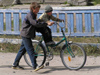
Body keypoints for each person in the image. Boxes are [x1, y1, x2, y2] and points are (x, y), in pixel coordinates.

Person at [12, 2, 50, 71]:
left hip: (27, 35)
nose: (38, 11)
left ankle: (15, 64)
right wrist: (45, 24)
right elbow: (35, 23)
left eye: (39, 9)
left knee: (22, 51)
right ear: (33, 9)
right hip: (26, 35)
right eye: (37, 9)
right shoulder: (30, 15)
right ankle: (35, 66)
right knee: (30, 50)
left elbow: (36, 24)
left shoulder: (33, 15)